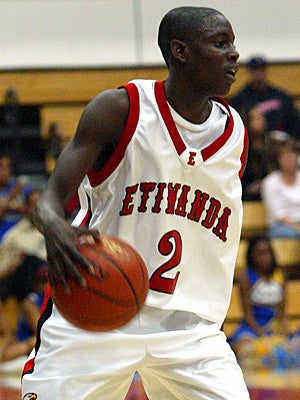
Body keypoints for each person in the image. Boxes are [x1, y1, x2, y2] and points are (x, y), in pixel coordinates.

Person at [22, 6, 250, 400]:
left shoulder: (235, 135)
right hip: (96, 313)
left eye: (231, 43)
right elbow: (49, 201)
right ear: (180, 52)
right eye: (219, 43)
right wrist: (57, 227)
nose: (234, 54)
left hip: (191, 329)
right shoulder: (120, 109)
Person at [229, 235, 287, 367]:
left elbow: (282, 313)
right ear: (251, 256)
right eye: (260, 253)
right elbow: (248, 315)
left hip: (273, 326)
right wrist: (261, 335)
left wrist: (283, 332)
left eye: (267, 252)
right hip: (251, 328)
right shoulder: (246, 277)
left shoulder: (280, 276)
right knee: (244, 348)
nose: (264, 257)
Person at [229, 56, 300, 141]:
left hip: (282, 142)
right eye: (255, 70)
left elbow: (294, 120)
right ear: (249, 72)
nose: (259, 73)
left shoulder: (280, 95)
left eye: (262, 69)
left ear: (266, 71)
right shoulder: (240, 99)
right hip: (255, 143)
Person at [261, 138, 300, 238]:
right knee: (291, 233)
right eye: (284, 156)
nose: (289, 159)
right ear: (278, 160)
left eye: (292, 154)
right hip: (281, 225)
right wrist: (297, 227)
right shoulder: (270, 182)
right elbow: (279, 215)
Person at [0, 153, 32, 242]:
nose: (3, 171)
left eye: (6, 167)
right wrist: (12, 196)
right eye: (1, 167)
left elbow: (34, 213)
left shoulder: (22, 187)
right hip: (2, 232)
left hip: (23, 230)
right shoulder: (17, 189)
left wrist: (19, 208)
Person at [241, 106, 271, 201]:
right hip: (247, 192)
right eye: (257, 118)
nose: (261, 121)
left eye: (262, 117)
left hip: (271, 188)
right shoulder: (241, 147)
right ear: (248, 122)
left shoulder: (272, 143)